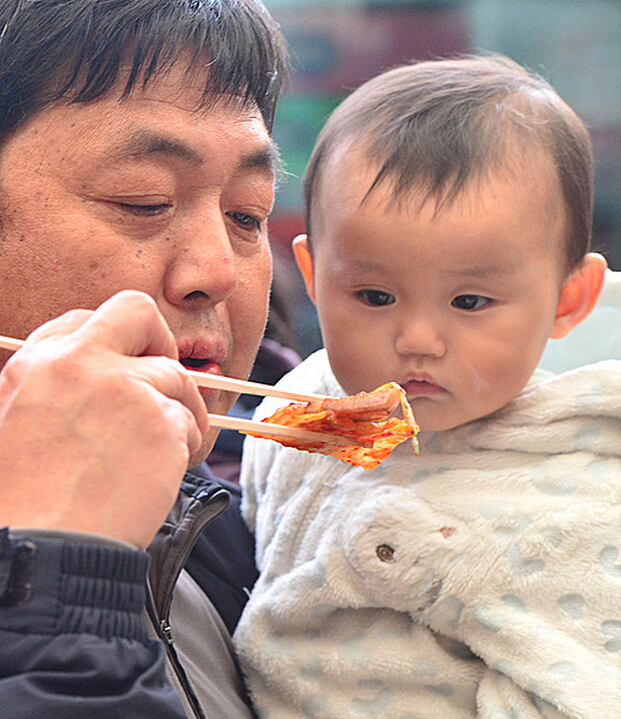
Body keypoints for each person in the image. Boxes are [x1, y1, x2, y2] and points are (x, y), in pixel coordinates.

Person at [237, 55, 621, 718]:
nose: (417, 337)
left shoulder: (583, 493)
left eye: (469, 301)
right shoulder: (302, 408)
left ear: (568, 299)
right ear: (311, 272)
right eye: (374, 294)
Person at [0, 0, 289, 716]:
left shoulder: (231, 527)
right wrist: (60, 558)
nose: (219, 270)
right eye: (143, 200)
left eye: (246, 214)